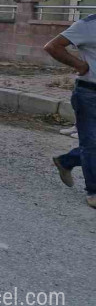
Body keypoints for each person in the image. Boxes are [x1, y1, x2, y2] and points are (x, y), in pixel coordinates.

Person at [45, 15, 96, 208]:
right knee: (91, 143)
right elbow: (52, 46)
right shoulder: (88, 25)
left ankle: (66, 161)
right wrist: (79, 65)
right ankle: (94, 192)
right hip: (90, 92)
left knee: (92, 145)